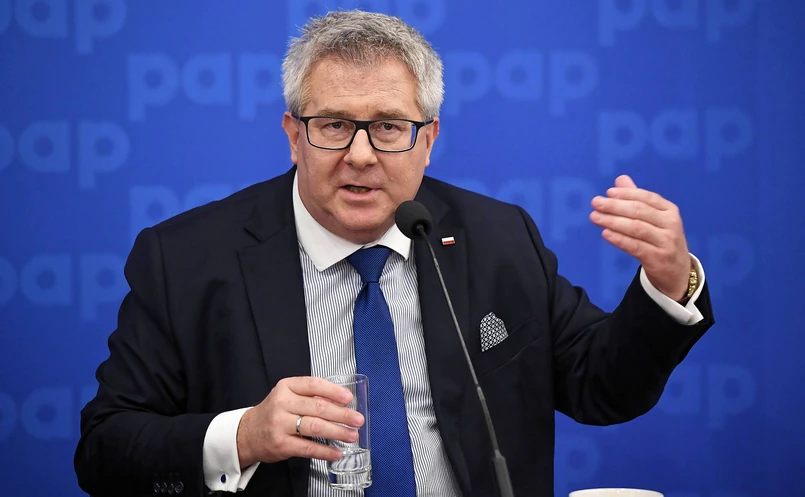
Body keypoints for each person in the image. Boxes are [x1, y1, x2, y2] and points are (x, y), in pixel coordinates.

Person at [74, 10, 714, 497]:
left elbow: (603, 388)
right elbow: (104, 451)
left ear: (428, 140)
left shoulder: (498, 237)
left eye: (387, 127)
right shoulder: (187, 259)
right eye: (333, 125)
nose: (360, 155)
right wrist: (243, 436)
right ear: (293, 135)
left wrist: (667, 283)